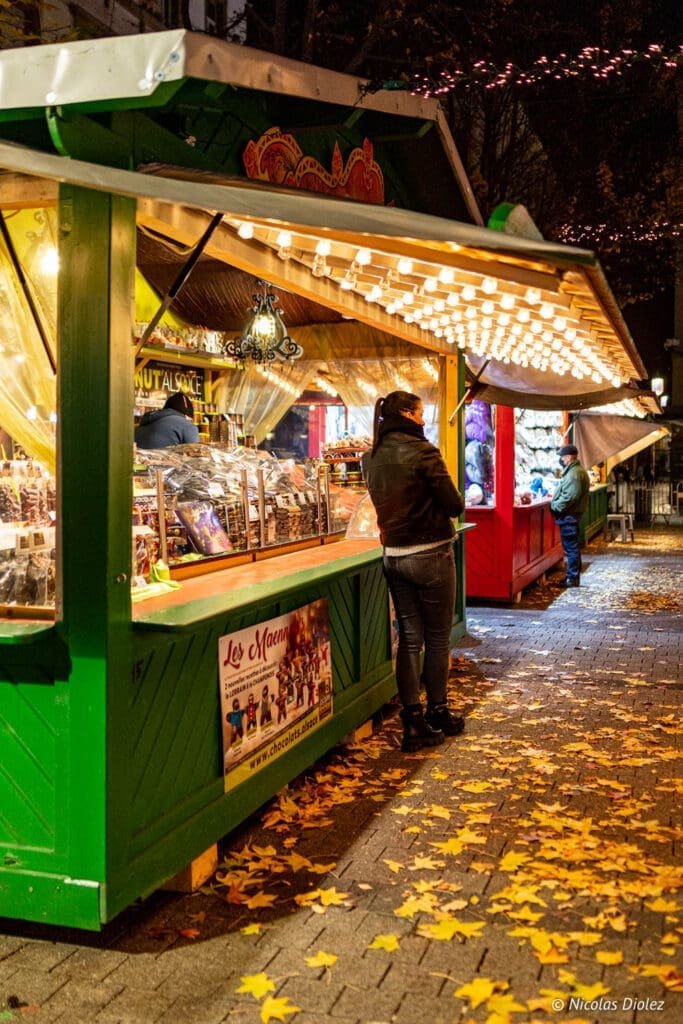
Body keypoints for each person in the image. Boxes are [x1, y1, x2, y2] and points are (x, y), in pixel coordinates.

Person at [363, 390, 465, 753]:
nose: (424, 420)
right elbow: (454, 505)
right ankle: (438, 710)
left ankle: (412, 720)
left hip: (393, 555)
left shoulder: (370, 456)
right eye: (421, 414)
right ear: (407, 414)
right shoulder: (424, 452)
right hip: (430, 554)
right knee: (436, 639)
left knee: (409, 639)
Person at [550, 444, 590, 588]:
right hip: (572, 514)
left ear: (568, 457)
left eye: (562, 457)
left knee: (570, 547)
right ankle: (573, 576)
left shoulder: (574, 474)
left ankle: (572, 579)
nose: (561, 459)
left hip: (569, 515)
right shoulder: (576, 471)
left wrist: (555, 505)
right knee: (572, 546)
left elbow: (570, 496)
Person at [135, 391, 199, 448]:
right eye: (191, 420)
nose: (191, 422)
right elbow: (195, 454)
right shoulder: (187, 425)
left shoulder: (142, 425)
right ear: (186, 415)